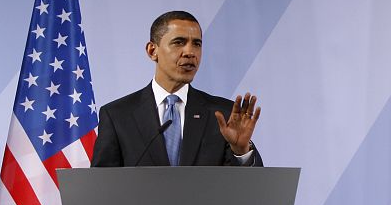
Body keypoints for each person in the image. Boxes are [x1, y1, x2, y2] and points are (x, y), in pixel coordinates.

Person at [91, 11, 263, 167]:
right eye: (179, 42)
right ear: (152, 51)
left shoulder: (223, 115)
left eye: (196, 44)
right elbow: (102, 187)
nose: (190, 52)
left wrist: (241, 151)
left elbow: (250, 192)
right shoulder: (117, 115)